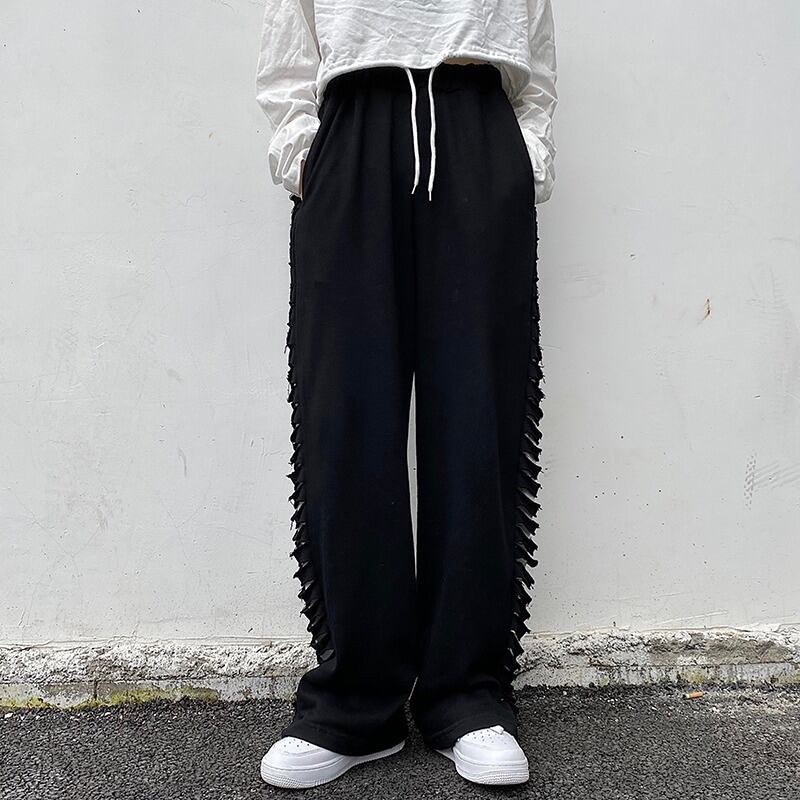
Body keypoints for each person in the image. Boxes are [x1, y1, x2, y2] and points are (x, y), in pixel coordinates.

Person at [254, 0, 557, 788]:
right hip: (353, 132)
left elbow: (536, 54)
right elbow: (290, 47)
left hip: (476, 127)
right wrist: (304, 158)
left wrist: (522, 157)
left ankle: (469, 696)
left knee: (477, 419)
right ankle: (355, 704)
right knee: (346, 417)